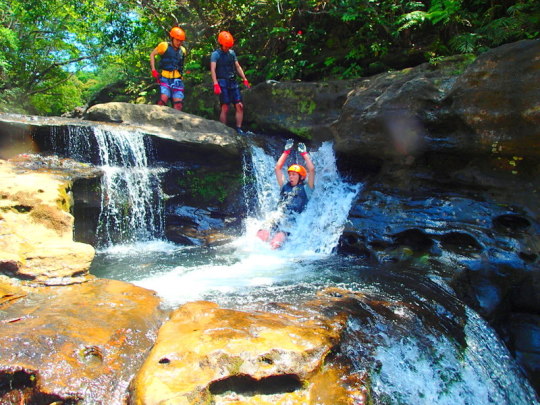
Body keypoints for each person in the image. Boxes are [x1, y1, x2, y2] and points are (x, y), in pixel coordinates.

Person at [256, 139, 316, 249]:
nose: (291, 177)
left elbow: (312, 170)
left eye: (294, 175)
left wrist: (304, 154)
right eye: (290, 174)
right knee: (261, 234)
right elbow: (277, 168)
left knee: (276, 240)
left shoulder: (307, 188)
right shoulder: (284, 185)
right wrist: (286, 151)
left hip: (292, 222)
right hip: (278, 217)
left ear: (301, 177)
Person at [210, 31, 251, 135]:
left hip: (232, 82)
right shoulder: (215, 55)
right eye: (226, 46)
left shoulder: (232, 53)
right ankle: (223, 129)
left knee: (239, 105)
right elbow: (213, 69)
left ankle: (238, 128)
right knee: (225, 107)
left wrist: (244, 78)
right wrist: (215, 83)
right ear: (221, 43)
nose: (227, 48)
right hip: (222, 82)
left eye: (229, 46)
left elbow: (237, 66)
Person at [150, 27, 187, 111]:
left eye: (181, 41)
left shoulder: (183, 50)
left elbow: (181, 65)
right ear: (172, 38)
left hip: (177, 80)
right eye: (177, 40)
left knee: (178, 105)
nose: (179, 42)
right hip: (165, 78)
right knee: (163, 100)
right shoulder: (164, 46)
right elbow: (152, 54)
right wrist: (153, 70)